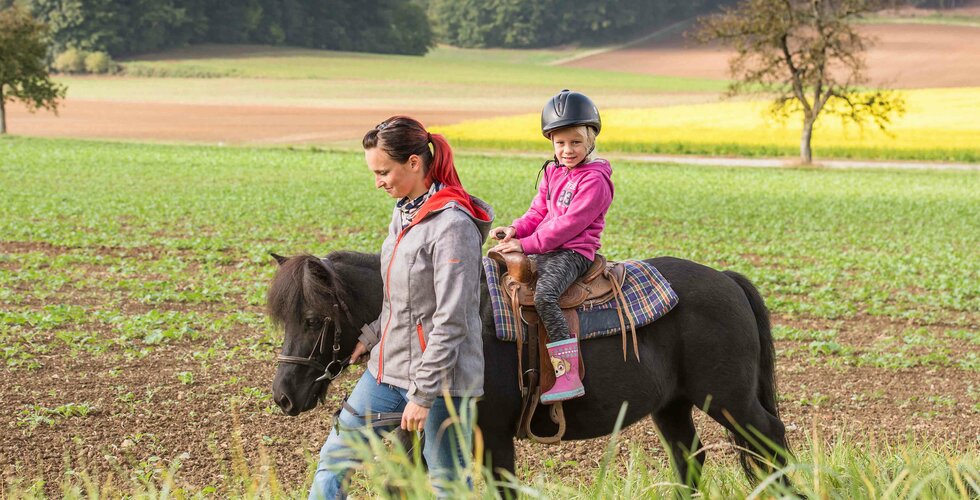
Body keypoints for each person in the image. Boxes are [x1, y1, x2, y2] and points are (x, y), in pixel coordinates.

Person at [309, 116, 494, 499]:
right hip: (387, 368)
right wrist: (372, 336)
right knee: (335, 459)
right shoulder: (404, 212)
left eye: (383, 171)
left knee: (448, 481)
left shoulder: (452, 226)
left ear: (414, 163)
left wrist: (423, 395)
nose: (378, 182)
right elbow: (400, 298)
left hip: (444, 382)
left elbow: (452, 319)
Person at [490, 90, 613, 404]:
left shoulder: (595, 181)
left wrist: (526, 244)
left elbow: (568, 226)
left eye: (575, 142)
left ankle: (567, 371)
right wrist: (515, 229)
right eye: (560, 143)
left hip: (573, 253)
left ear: (590, 141)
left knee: (546, 296)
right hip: (545, 247)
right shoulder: (551, 172)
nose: (567, 150)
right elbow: (538, 213)